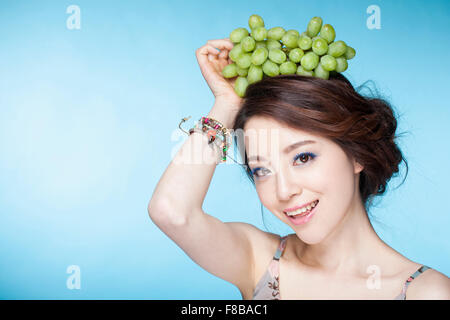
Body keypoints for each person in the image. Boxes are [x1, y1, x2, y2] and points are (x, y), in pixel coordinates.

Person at [147, 38, 450, 300]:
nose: (284, 190)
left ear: (357, 155)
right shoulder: (259, 261)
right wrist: (225, 106)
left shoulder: (426, 292)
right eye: (261, 170)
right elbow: (171, 211)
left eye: (303, 157)